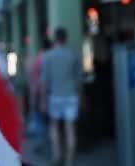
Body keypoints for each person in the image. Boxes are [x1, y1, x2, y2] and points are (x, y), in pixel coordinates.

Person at [42, 27, 82, 166]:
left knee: (54, 127)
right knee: (69, 128)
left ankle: (56, 155)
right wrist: (81, 97)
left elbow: (44, 81)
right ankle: (69, 160)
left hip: (55, 96)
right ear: (66, 38)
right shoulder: (73, 55)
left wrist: (43, 101)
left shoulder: (48, 56)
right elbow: (78, 80)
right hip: (71, 96)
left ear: (55, 39)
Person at [27, 38, 52, 136]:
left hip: (38, 91)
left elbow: (33, 76)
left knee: (40, 117)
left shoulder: (38, 59)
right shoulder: (49, 58)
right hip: (50, 91)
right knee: (50, 119)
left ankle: (42, 141)